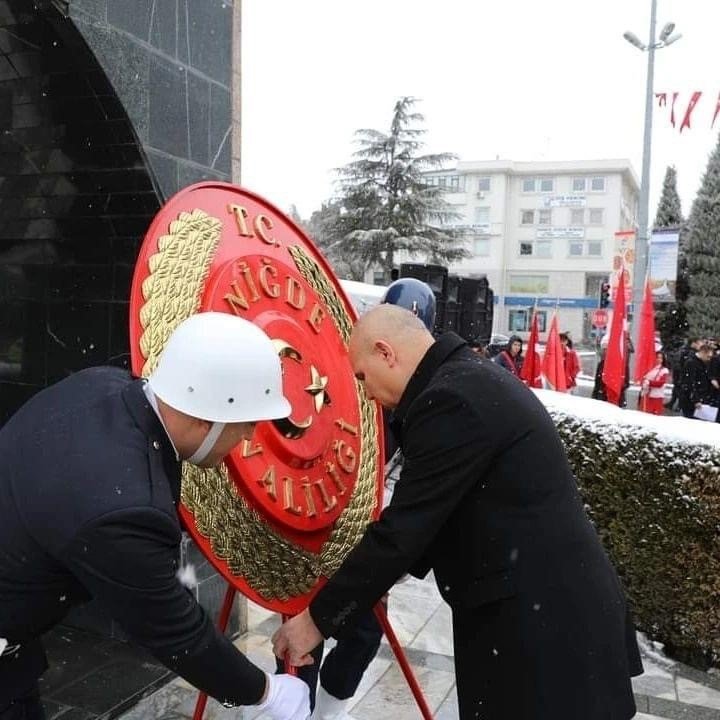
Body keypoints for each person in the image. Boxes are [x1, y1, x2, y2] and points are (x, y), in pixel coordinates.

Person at [272, 305, 643, 720]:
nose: (366, 393)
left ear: (385, 353)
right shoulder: (465, 378)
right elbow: (430, 526)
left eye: (362, 376)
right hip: (548, 620)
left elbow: (404, 534)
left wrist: (315, 622)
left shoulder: (450, 399)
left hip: (544, 636)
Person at [0, 312, 310, 720]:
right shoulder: (123, 509)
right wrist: (266, 693)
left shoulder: (101, 385)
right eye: (248, 421)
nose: (251, 435)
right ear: (206, 417)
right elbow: (175, 632)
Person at [292, 277, 437, 720]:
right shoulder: (343, 375)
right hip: (318, 519)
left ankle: (328, 712)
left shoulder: (423, 403)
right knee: (302, 634)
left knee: (363, 634)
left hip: (369, 533)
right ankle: (293, 710)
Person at [680, 342, 718, 419]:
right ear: (703, 352)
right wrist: (696, 400)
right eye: (708, 356)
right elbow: (690, 383)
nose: (709, 358)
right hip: (691, 401)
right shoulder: (691, 363)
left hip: (701, 398)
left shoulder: (704, 363)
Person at [670, 337, 701, 413]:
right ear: (694, 343)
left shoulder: (684, 350)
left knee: (679, 389)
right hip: (683, 375)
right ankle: (678, 405)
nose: (700, 345)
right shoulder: (691, 353)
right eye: (699, 343)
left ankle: (675, 404)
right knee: (682, 391)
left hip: (680, 374)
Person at [639, 351, 671, 415]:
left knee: (654, 416)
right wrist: (644, 383)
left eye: (661, 358)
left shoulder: (664, 370)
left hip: (656, 396)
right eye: (657, 357)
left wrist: (649, 382)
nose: (658, 359)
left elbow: (660, 383)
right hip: (646, 395)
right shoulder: (649, 368)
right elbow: (643, 378)